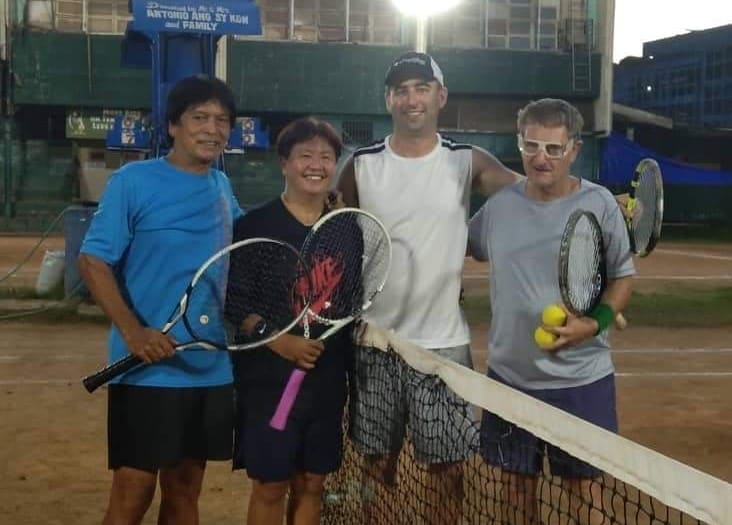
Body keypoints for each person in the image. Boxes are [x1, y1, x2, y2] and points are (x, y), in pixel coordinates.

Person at [336, 51, 523, 524]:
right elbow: (329, 233)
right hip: (374, 344)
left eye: (421, 88)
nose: (411, 98)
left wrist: (598, 198)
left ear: (441, 96)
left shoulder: (467, 160)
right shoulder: (360, 165)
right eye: (401, 90)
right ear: (388, 99)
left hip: (443, 347)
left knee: (448, 472)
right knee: (375, 467)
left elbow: (530, 191)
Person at [78, 75, 242, 525]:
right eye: (200, 118)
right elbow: (93, 261)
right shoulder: (133, 181)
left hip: (210, 367)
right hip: (148, 371)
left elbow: (248, 253)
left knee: (185, 491)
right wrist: (134, 333)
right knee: (133, 491)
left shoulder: (222, 190)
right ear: (173, 125)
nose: (212, 129)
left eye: (222, 121)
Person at [467, 98, 635, 524]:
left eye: (554, 149)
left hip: (581, 380)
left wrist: (593, 324)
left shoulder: (600, 205)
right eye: (531, 146)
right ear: (520, 145)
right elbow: (459, 245)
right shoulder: (499, 207)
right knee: (514, 496)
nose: (541, 158)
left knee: (584, 498)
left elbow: (622, 278)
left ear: (574, 149)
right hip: (510, 380)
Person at [228, 117, 351, 525]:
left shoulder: (347, 228)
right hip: (270, 383)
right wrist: (280, 341)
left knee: (313, 482)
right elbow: (236, 303)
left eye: (326, 157)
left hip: (326, 381)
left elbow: (351, 300)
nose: (315, 165)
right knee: (270, 485)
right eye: (305, 156)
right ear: (284, 163)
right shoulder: (254, 225)